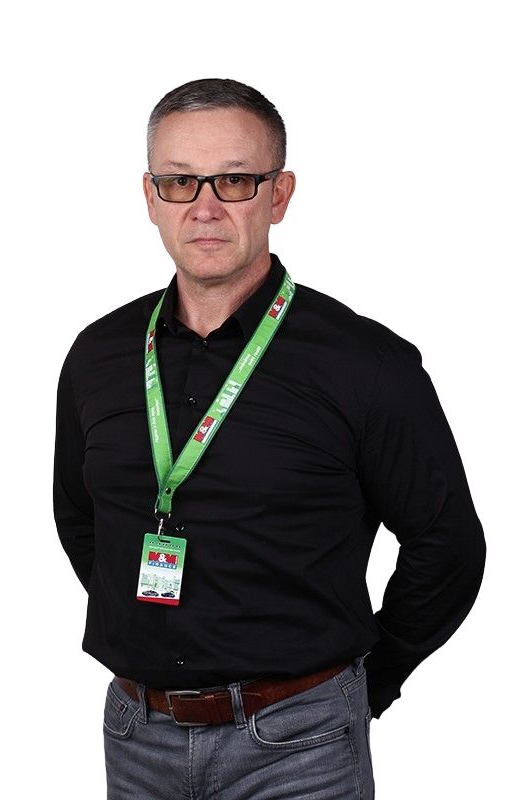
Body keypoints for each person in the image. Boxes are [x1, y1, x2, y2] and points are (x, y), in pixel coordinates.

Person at [53, 78, 486, 799]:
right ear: (150, 196)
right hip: (136, 739)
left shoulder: (364, 363)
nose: (205, 207)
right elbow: (81, 519)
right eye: (179, 182)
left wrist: (366, 684)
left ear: (279, 195)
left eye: (235, 180)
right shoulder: (98, 354)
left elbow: (447, 546)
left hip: (300, 746)